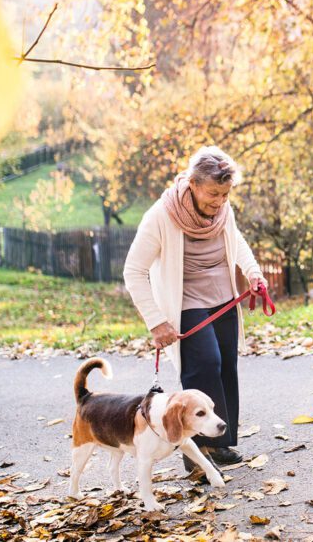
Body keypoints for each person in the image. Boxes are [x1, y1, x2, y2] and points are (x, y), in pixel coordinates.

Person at [123, 146, 267, 471]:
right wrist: (156, 321)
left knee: (226, 367)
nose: (219, 201)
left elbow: (236, 239)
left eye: (225, 194)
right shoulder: (161, 216)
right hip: (186, 301)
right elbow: (133, 271)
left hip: (223, 297)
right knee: (204, 365)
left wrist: (252, 271)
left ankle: (220, 445)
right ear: (192, 183)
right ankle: (199, 457)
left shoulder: (222, 210)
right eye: (213, 193)